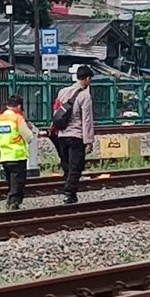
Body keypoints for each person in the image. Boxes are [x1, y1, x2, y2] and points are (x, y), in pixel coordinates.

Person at [56, 65, 95, 204]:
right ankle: (69, 193)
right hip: (76, 136)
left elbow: (56, 111)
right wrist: (88, 140)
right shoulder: (85, 96)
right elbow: (87, 120)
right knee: (75, 166)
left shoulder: (62, 92)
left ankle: (67, 189)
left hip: (62, 135)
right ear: (88, 79)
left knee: (66, 164)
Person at [0, 95, 34, 210]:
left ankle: (11, 201)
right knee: (18, 182)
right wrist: (29, 128)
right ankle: (13, 203)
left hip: (4, 156)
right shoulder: (17, 119)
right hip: (17, 155)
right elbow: (29, 137)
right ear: (19, 106)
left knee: (11, 182)